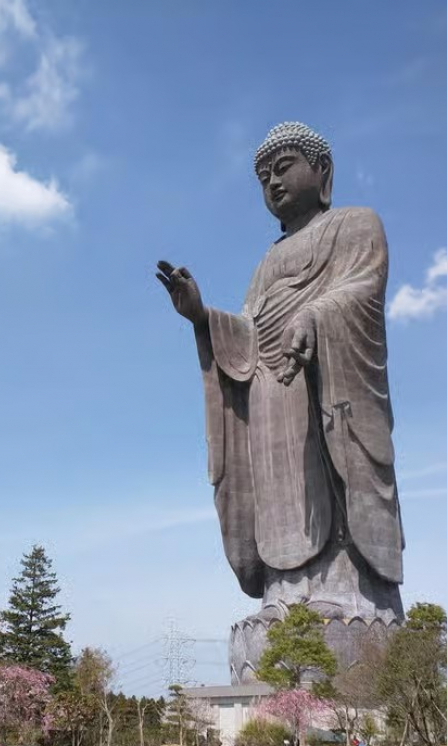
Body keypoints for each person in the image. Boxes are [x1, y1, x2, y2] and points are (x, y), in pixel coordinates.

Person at [157, 122, 405, 676]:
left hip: (326, 383)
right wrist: (201, 316)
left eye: (284, 165)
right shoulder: (267, 261)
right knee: (277, 488)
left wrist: (315, 317)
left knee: (327, 473)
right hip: (270, 388)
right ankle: (284, 593)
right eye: (262, 175)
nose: (271, 181)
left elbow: (363, 286)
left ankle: (345, 592)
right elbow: (247, 333)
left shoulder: (354, 225)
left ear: (323, 172)